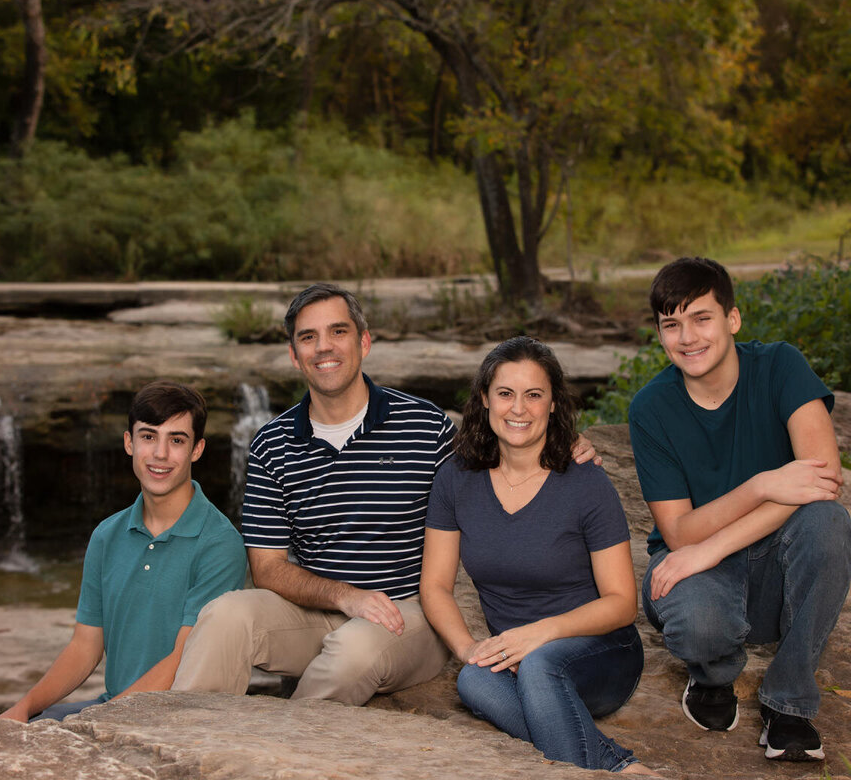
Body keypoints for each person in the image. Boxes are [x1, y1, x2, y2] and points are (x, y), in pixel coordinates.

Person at [172, 283, 598, 705]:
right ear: (293, 354)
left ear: (364, 341)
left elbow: (503, 464)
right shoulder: (272, 443)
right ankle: (186, 740)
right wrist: (344, 596)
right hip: (313, 613)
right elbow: (266, 569)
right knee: (224, 614)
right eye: (308, 337)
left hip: (408, 613)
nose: (324, 347)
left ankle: (278, 755)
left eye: (338, 332)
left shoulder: (426, 427)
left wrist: (562, 446)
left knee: (353, 651)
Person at [628, 257, 851, 762]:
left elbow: (823, 481)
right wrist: (763, 484)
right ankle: (712, 675)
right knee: (699, 620)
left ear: (732, 319)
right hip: (700, 575)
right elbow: (679, 531)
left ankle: (788, 702)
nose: (687, 337)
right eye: (672, 324)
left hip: (772, 568)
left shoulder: (780, 366)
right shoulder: (651, 408)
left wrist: (706, 548)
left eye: (701, 318)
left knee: (828, 523)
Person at [421, 336, 653, 775]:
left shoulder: (585, 482)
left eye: (534, 395)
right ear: (485, 399)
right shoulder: (456, 478)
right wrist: (467, 647)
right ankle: (612, 764)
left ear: (552, 404)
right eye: (506, 393)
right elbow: (434, 586)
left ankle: (607, 762)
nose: (518, 409)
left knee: (540, 665)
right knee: (473, 679)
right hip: (516, 659)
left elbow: (623, 603)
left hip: (600, 653)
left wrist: (541, 634)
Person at [0, 381, 247, 722]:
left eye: (176, 440)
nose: (160, 454)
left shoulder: (219, 543)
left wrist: (101, 720)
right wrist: (24, 708)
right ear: (129, 443)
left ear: (197, 449)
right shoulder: (107, 535)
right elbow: (85, 647)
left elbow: (183, 660)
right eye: (148, 436)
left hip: (184, 719)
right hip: (114, 705)